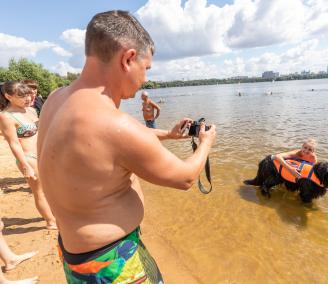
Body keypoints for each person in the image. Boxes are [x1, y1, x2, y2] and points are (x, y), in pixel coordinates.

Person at [37, 10, 216, 283]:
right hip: (111, 263)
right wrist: (205, 143)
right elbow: (186, 177)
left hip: (78, 256)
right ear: (128, 58)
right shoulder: (113, 124)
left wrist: (167, 134)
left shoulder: (55, 100)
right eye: (146, 68)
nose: (145, 78)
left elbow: (107, 145)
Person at [0, 82, 57, 230]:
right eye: (21, 96)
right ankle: (50, 222)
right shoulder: (6, 116)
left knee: (52, 188)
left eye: (27, 94)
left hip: (43, 154)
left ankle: (55, 214)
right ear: (8, 96)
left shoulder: (30, 111)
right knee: (40, 191)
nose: (27, 98)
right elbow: (14, 143)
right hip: (29, 158)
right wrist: (24, 165)